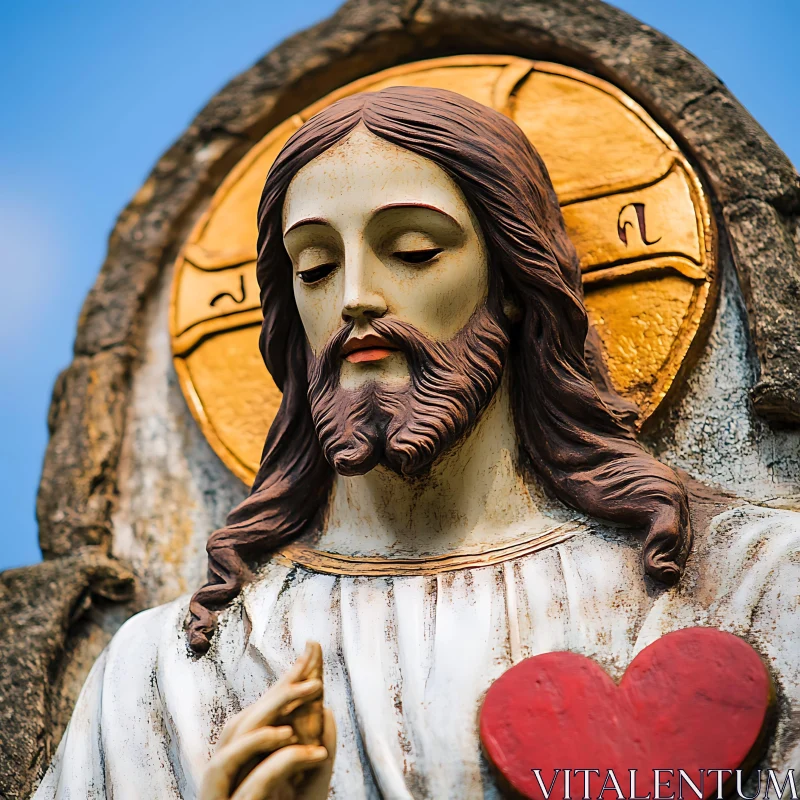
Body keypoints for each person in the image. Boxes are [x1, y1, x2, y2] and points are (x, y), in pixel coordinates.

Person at [35, 87, 800, 800]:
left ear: (510, 279)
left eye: (413, 251)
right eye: (317, 266)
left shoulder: (748, 585)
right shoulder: (168, 673)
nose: (356, 296)